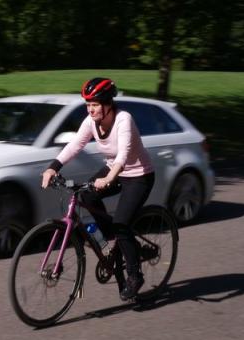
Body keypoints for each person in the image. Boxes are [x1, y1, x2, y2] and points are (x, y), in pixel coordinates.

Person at [41, 77, 155, 301]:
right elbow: (75, 145)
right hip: (114, 171)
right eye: (87, 105)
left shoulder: (124, 120)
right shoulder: (90, 121)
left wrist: (111, 177)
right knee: (85, 195)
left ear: (107, 104)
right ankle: (117, 240)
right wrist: (52, 168)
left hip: (139, 175)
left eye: (94, 104)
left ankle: (135, 276)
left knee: (122, 223)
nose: (90, 109)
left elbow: (123, 154)